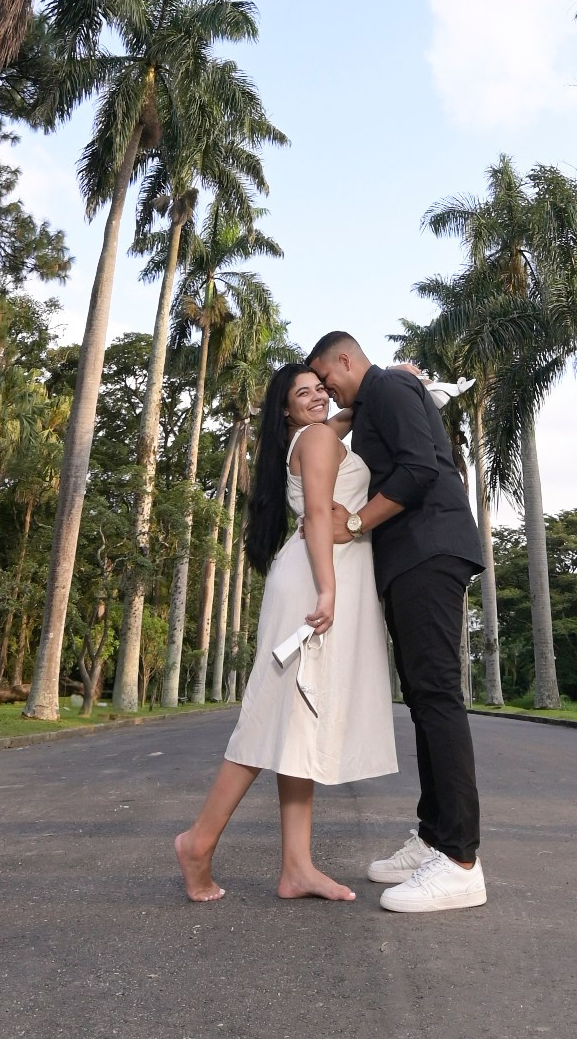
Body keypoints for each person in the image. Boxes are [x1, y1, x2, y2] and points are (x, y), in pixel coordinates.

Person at [174, 362, 397, 903]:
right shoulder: (317, 439)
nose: (319, 397)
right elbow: (320, 514)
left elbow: (347, 412)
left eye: (320, 387)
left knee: (297, 725)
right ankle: (198, 841)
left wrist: (393, 378)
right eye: (304, 393)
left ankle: (296, 867)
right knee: (271, 717)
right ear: (286, 410)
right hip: (315, 585)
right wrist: (327, 591)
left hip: (315, 576)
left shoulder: (317, 433)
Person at [307, 331, 487, 914]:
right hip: (412, 557)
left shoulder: (387, 386)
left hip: (429, 549)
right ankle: (434, 836)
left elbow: (418, 472)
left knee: (437, 694)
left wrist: (355, 524)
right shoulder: (384, 390)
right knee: (422, 695)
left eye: (328, 380)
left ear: (344, 359)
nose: (330, 396)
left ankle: (461, 861)